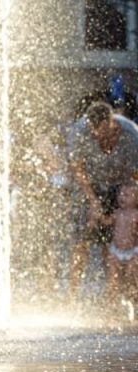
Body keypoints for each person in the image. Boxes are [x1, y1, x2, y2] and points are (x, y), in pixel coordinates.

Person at [68, 102, 138, 304]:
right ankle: (72, 296)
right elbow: (78, 169)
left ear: (112, 121)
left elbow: (135, 175)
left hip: (119, 186)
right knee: (81, 241)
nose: (99, 136)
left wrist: (130, 200)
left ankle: (113, 296)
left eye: (104, 132)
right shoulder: (80, 131)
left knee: (112, 243)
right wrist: (92, 201)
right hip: (87, 185)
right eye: (95, 133)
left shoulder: (131, 134)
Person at [104, 184, 138, 313]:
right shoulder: (117, 213)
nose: (122, 197)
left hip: (132, 251)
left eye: (127, 195)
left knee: (132, 274)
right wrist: (98, 217)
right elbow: (106, 222)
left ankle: (132, 299)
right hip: (116, 250)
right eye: (121, 194)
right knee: (112, 277)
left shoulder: (136, 214)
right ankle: (110, 304)